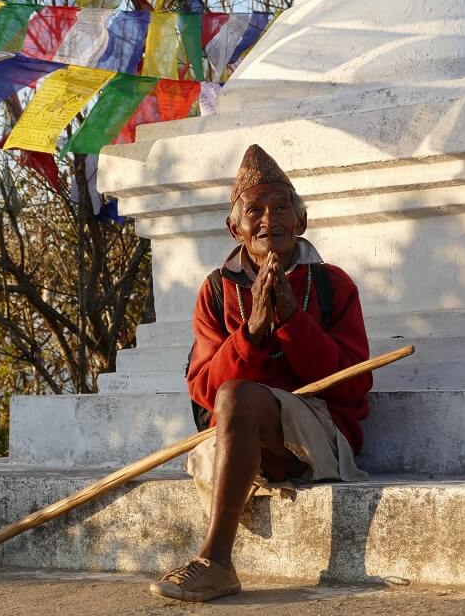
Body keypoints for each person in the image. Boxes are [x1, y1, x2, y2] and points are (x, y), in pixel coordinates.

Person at [149, 144, 373, 603]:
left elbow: (354, 387)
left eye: (281, 208)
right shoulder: (216, 292)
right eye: (255, 211)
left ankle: (216, 559)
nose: (269, 220)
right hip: (242, 437)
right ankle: (217, 557)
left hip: (319, 438)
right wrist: (251, 332)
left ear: (301, 221)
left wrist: (294, 323)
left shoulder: (332, 285)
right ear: (235, 228)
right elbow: (207, 393)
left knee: (239, 398)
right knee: (232, 398)